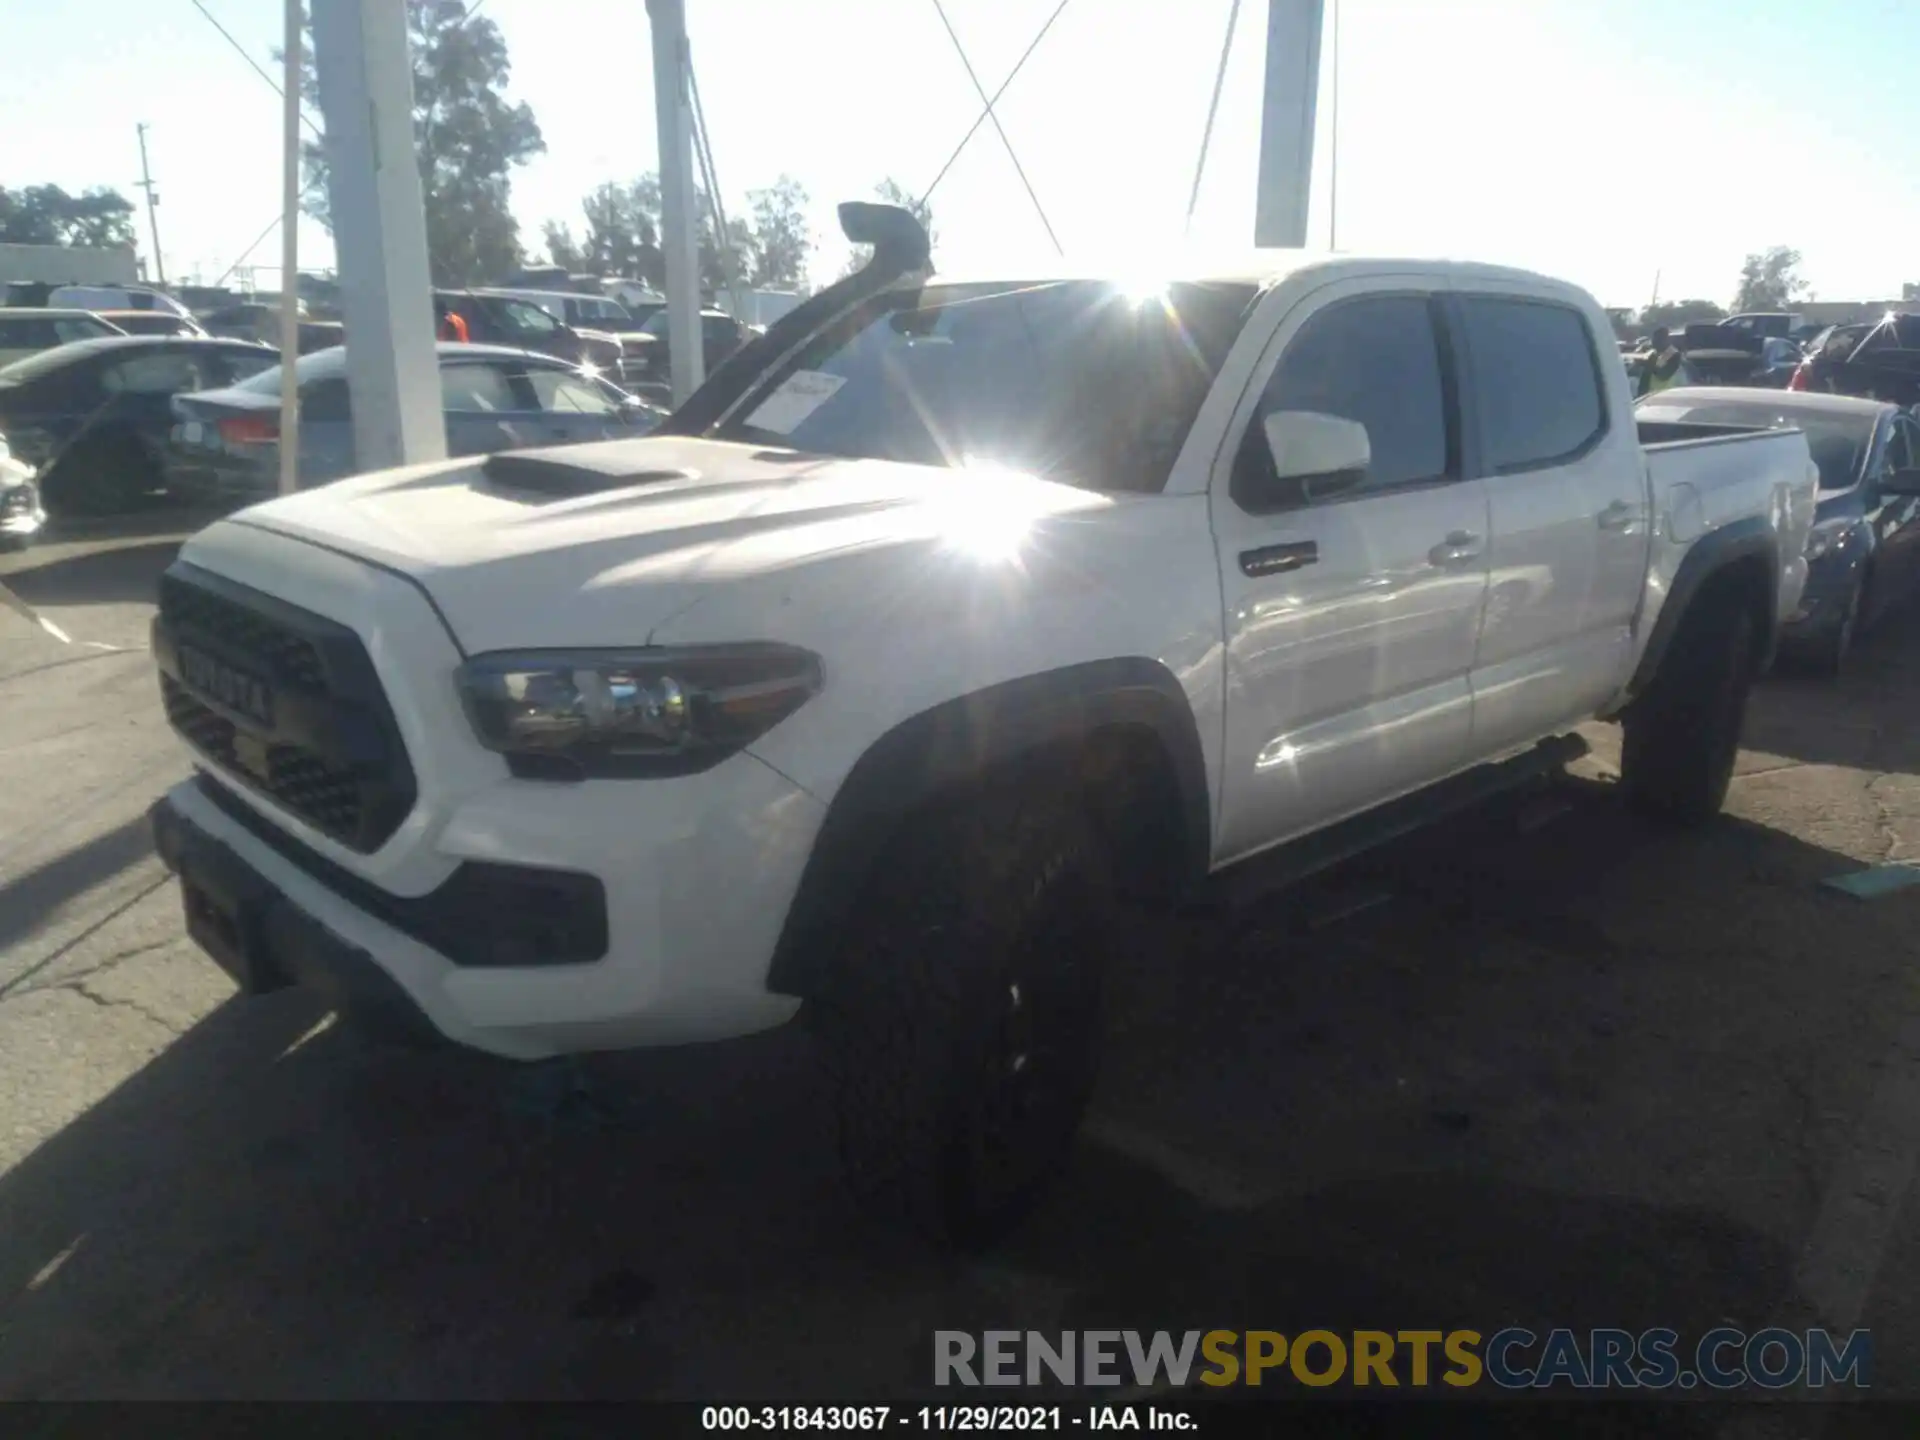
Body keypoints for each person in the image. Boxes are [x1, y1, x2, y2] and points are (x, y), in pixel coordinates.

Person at [1638, 326, 1691, 397]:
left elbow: (1663, 375)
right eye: (1653, 339)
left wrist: (1650, 364)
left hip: (1667, 396)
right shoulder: (1654, 354)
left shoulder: (1674, 355)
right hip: (1651, 396)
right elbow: (1645, 378)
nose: (1653, 342)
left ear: (1665, 340)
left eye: (1657, 339)